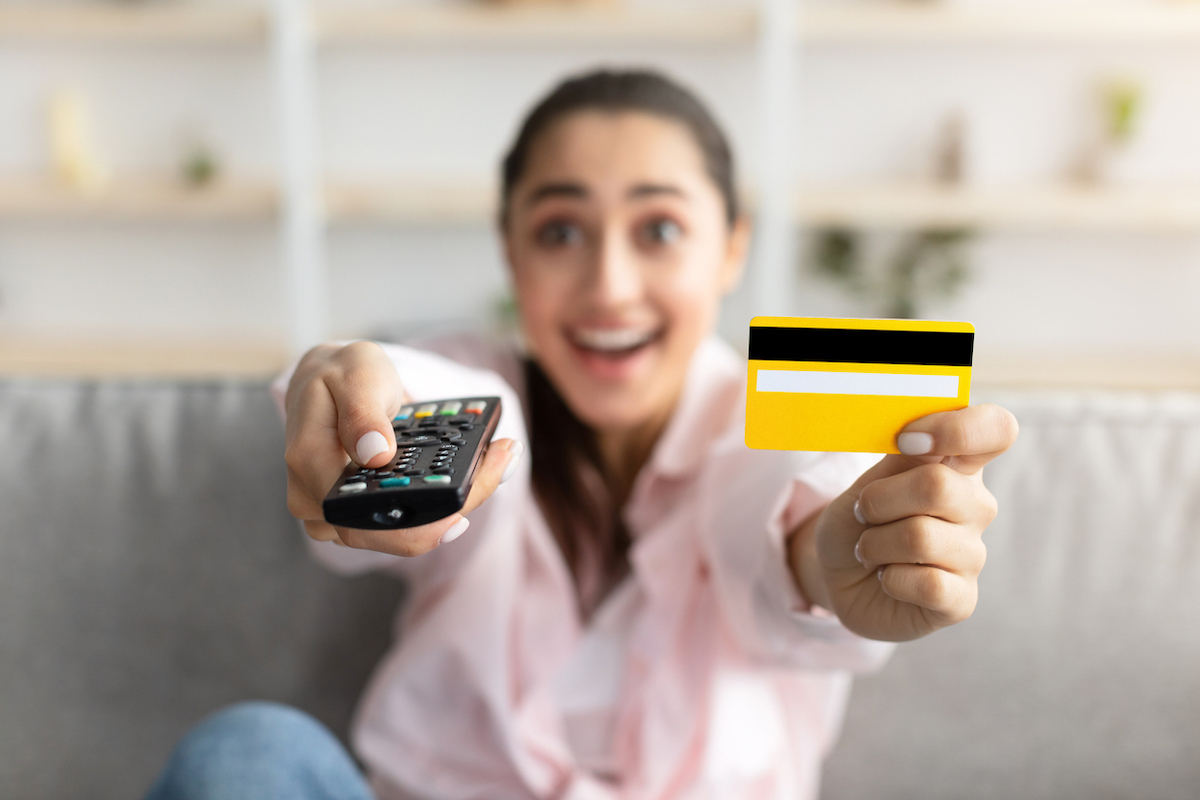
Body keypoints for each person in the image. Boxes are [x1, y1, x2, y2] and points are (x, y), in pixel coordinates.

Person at [146, 69, 1017, 800]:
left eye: (661, 230)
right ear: (511, 253)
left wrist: (842, 555)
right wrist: (350, 400)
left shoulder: (767, 426)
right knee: (248, 752)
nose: (608, 284)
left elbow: (783, 516)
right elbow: (445, 401)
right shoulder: (480, 388)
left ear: (730, 250)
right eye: (559, 231)